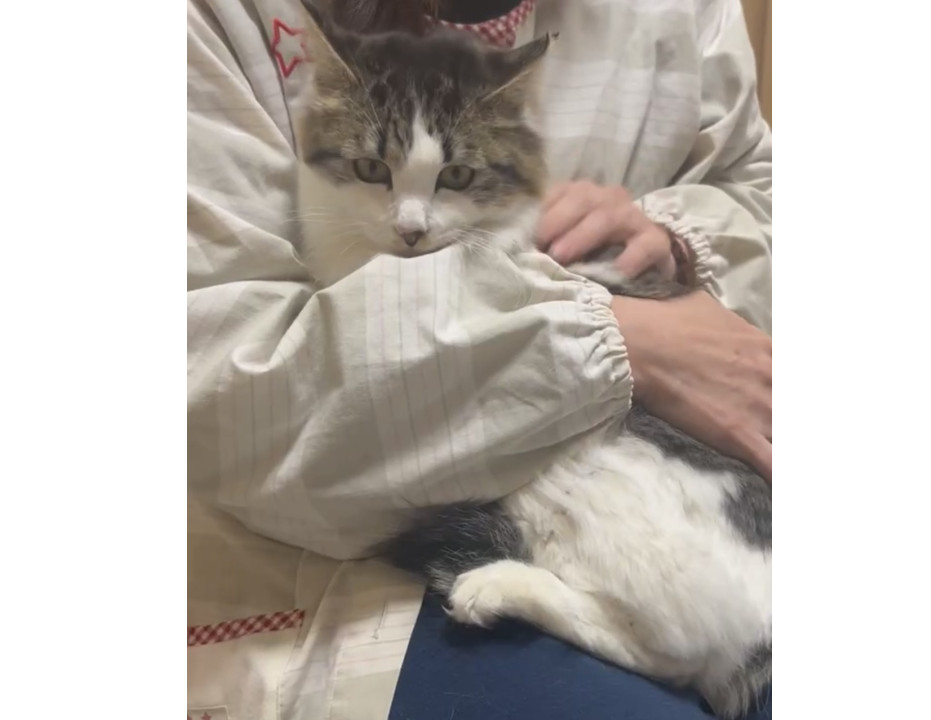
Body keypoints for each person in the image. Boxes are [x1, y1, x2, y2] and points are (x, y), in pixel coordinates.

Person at [187, 0, 772, 718]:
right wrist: (613, 336)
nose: (410, 223)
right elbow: (221, 390)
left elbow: (753, 181)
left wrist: (677, 241)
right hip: (329, 559)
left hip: (672, 491)